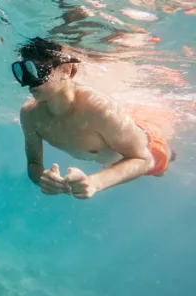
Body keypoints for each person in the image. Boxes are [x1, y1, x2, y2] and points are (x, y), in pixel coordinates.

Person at [12, 37, 176, 199]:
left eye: (36, 70)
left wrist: (94, 182)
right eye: (22, 72)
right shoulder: (30, 115)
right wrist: (43, 179)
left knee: (159, 169)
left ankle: (170, 154)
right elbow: (34, 163)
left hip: (149, 145)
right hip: (110, 154)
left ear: (66, 70)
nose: (28, 82)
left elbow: (144, 159)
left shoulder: (98, 109)